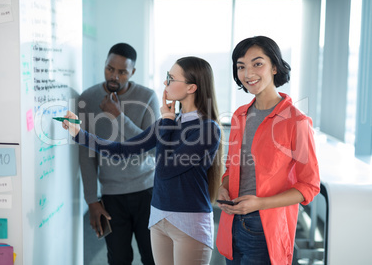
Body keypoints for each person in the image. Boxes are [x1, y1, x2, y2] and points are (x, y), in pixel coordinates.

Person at [63, 56, 223, 265]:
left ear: (191, 87)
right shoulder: (168, 123)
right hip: (158, 218)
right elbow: (121, 150)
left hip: (189, 221)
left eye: (172, 78)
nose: (166, 83)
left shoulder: (207, 129)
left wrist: (166, 120)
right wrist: (78, 133)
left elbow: (165, 169)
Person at [216, 36, 320, 265]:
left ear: (274, 67)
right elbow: (232, 168)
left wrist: (259, 203)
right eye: (241, 66)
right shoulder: (239, 115)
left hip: (264, 228)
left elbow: (309, 186)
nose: (248, 73)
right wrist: (223, 188)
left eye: (257, 63)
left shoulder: (296, 121)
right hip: (232, 222)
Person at [78, 43, 160, 265]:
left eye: (122, 71)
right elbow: (86, 154)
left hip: (147, 192)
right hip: (111, 196)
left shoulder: (148, 97)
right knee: (118, 259)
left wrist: (118, 116)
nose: (114, 76)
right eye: (109, 69)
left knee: (153, 257)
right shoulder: (87, 98)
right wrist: (92, 200)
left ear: (132, 72)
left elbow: (151, 148)